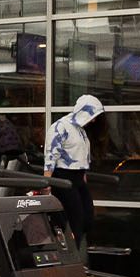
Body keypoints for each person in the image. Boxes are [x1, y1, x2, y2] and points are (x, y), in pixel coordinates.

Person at [46, 94, 106, 238]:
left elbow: (80, 154)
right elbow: (51, 153)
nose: (94, 120)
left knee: (87, 218)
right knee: (76, 220)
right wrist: (47, 180)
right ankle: (72, 252)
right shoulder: (61, 126)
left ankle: (73, 246)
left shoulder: (81, 130)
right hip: (63, 176)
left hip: (78, 177)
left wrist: (83, 175)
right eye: (93, 116)